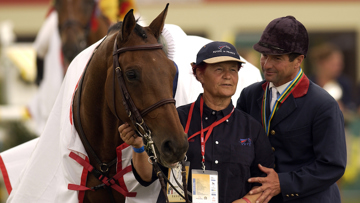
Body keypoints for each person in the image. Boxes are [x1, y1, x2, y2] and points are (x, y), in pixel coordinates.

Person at [119, 41, 274, 203]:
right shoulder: (176, 119)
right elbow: (146, 176)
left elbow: (266, 183)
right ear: (199, 74)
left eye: (233, 69)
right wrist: (138, 146)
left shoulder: (251, 128)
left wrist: (246, 201)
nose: (227, 76)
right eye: (219, 69)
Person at [236, 16, 347, 203]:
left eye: (277, 58)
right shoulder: (249, 95)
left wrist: (283, 182)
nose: (267, 64)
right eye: (264, 55)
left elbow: (332, 166)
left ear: (299, 60)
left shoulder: (323, 104)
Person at [308, 42, 356, 113]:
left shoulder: (345, 83)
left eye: (340, 64)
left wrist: (344, 109)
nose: (339, 68)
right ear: (322, 63)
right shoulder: (308, 84)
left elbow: (352, 107)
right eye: (334, 64)